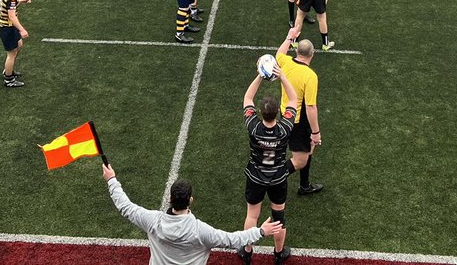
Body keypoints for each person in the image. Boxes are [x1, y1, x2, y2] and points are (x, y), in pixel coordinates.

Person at [105, 163, 281, 265]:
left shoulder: (152, 221)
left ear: (170, 199)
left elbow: (125, 207)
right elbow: (232, 240)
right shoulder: (200, 231)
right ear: (190, 200)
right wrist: (261, 231)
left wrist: (112, 179)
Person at [240, 51, 300, 264]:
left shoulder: (254, 127)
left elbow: (247, 98)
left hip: (256, 176)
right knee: (278, 217)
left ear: (260, 112)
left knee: (252, 216)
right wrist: (281, 75)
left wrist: (260, 75)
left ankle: (247, 251)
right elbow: (294, 99)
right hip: (277, 178)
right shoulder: (284, 128)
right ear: (277, 113)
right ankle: (279, 253)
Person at [275, 32, 324, 196]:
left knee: (308, 149)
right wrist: (316, 132)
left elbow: (279, 54)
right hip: (299, 122)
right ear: (313, 54)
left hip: (285, 115)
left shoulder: (286, 62)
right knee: (300, 160)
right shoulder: (310, 76)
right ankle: (272, 178)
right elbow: (310, 107)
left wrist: (289, 37)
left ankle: (304, 185)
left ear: (296, 52)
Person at [0, 0, 31, 87]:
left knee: (19, 45)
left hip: (9, 27)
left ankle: (8, 70)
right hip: (7, 28)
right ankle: (9, 79)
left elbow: (9, 6)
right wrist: (22, 29)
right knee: (11, 53)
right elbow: (11, 16)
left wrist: (22, 0)